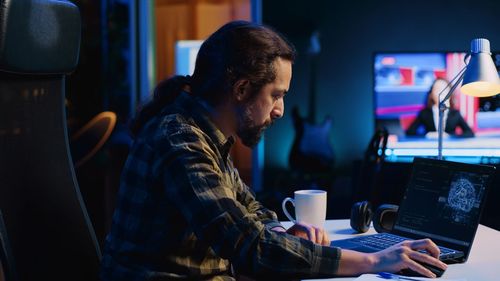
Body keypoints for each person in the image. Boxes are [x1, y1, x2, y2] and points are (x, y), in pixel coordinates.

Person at [100, 21, 447, 280]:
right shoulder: (179, 140)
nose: (280, 110)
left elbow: (247, 207)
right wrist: (374, 261)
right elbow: (250, 249)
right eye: (276, 95)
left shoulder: (206, 134)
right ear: (241, 88)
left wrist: (281, 231)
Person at [406, 78, 474, 138]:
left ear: (450, 93)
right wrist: (428, 135)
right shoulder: (424, 113)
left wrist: (450, 136)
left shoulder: (455, 114)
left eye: (444, 89)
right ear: (431, 94)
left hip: (450, 148)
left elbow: (470, 133)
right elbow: (410, 132)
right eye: (437, 89)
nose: (441, 92)